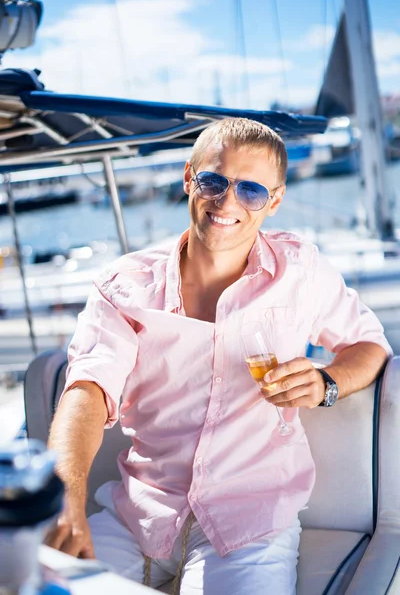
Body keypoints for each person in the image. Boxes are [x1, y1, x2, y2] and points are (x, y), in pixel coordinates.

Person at [46, 118, 392, 595]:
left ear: (274, 201)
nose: (227, 202)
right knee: (47, 586)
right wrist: (67, 501)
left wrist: (326, 382)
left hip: (250, 518)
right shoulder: (124, 286)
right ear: (189, 177)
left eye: (251, 190)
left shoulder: (302, 272)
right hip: (141, 514)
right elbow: (86, 391)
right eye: (214, 181)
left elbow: (370, 345)